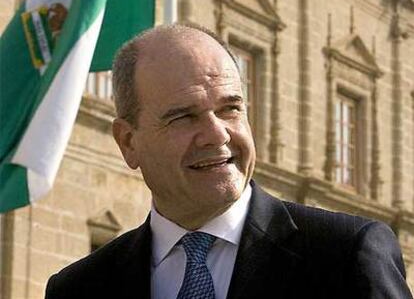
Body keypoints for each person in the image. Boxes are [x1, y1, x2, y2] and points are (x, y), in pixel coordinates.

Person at [45, 24, 413, 299]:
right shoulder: (78, 289)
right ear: (128, 142)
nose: (218, 134)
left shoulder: (345, 256)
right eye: (183, 117)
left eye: (230, 109)